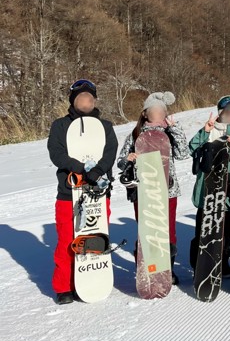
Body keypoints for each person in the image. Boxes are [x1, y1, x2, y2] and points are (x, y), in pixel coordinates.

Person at [47, 80, 118, 305]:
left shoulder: (105, 126)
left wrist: (97, 171)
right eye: (81, 97)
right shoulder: (60, 126)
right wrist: (80, 168)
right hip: (69, 193)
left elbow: (110, 152)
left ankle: (90, 279)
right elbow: (56, 153)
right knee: (67, 240)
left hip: (97, 193)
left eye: (90, 97)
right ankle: (64, 286)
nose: (86, 101)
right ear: (73, 101)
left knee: (94, 237)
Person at [117, 92, 189, 284]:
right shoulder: (135, 135)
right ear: (145, 113)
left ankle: (167, 270)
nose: (158, 114)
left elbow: (183, 154)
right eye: (154, 111)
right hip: (143, 192)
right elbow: (120, 162)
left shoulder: (169, 133)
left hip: (168, 191)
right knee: (146, 231)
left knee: (167, 230)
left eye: (161, 111)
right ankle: (146, 268)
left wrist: (176, 130)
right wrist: (127, 159)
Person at [189, 96, 230, 278]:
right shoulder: (211, 129)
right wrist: (205, 132)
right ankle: (199, 263)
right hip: (208, 191)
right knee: (204, 229)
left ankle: (223, 262)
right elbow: (193, 148)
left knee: (227, 230)